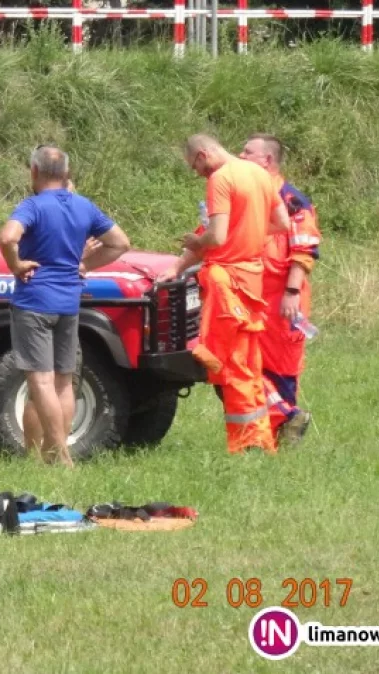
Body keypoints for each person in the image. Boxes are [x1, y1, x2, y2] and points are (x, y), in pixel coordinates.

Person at [0, 145, 131, 466]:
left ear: (34, 172)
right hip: (69, 304)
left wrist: (16, 265)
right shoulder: (84, 206)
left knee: (40, 381)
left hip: (34, 302)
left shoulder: (33, 206)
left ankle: (60, 452)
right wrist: (83, 264)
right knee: (62, 381)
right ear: (67, 174)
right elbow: (121, 243)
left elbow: (6, 237)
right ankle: (39, 452)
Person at [158, 134, 290, 455]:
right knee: (247, 361)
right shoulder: (259, 174)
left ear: (204, 155)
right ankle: (259, 438)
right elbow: (282, 222)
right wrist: (248, 231)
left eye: (195, 166)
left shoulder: (220, 179)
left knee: (232, 367)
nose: (197, 173)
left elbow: (214, 237)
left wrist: (195, 241)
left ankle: (248, 442)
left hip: (225, 281)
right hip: (252, 279)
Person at [239, 133, 320, 446]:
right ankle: (281, 422)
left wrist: (291, 292)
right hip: (250, 296)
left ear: (266, 160)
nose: (240, 156)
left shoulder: (292, 200)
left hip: (283, 299)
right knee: (243, 363)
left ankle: (284, 422)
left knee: (282, 369)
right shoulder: (246, 194)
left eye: (247, 152)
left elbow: (304, 250)